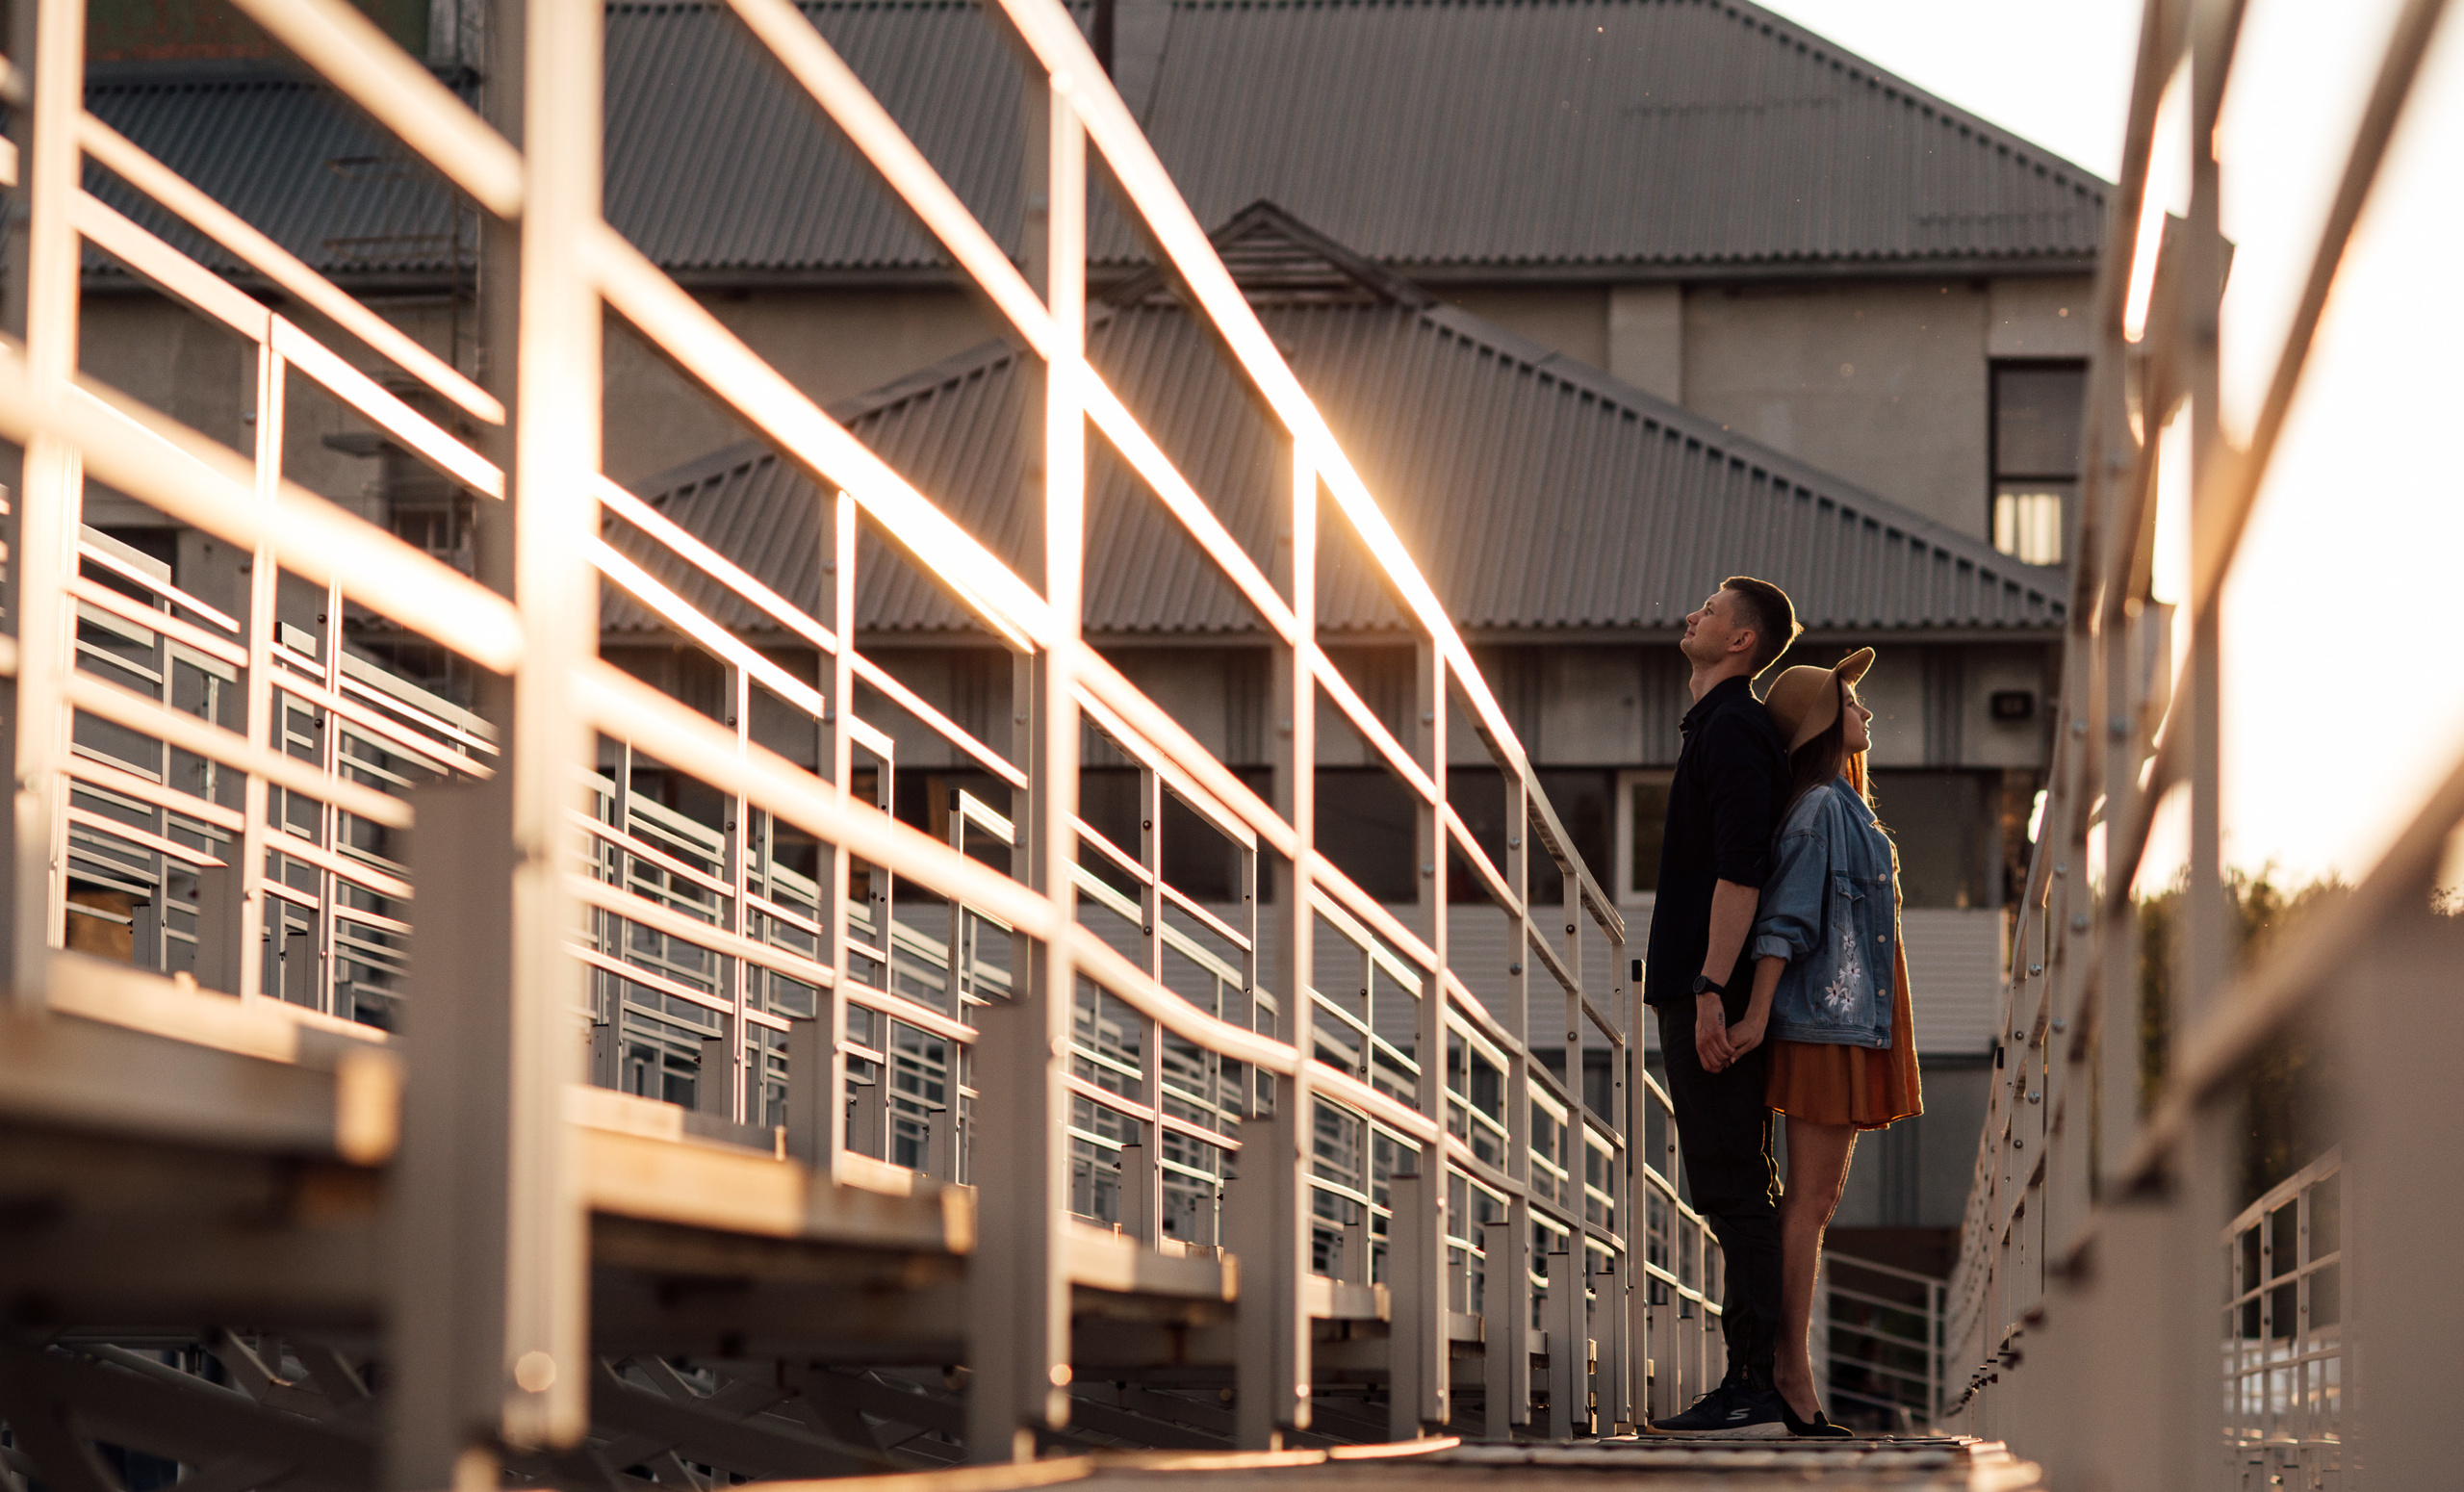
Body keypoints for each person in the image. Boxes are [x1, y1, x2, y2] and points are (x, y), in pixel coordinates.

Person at [1721, 649, 1924, 1438]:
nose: (1867, 713)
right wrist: (1756, 1018)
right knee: (1809, 1206)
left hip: (1844, 1021)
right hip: (1821, 1024)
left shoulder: (1845, 805)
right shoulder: (1819, 812)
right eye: (1854, 702)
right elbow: (1788, 922)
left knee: (1816, 1203)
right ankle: (1787, 1374)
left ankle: (1783, 1369)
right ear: (1820, 723)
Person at [1645, 577, 1800, 1435]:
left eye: (1709, 606)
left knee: (1734, 1185)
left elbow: (1742, 869)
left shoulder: (1735, 728)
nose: (1692, 611)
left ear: (1742, 642)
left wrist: (1709, 991)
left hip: (1710, 991)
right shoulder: (1717, 726)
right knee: (1733, 1182)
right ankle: (1755, 1381)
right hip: (1697, 986)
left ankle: (1754, 1386)